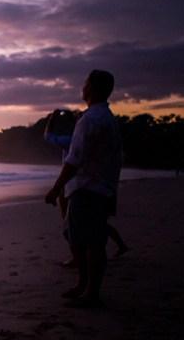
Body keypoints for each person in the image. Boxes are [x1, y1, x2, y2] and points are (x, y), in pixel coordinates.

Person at [45, 70, 123, 308]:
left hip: (87, 188)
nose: (83, 87)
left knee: (88, 241)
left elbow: (74, 160)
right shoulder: (107, 117)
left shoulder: (89, 120)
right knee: (89, 239)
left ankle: (90, 292)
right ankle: (85, 286)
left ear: (93, 88)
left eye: (86, 83)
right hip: (102, 186)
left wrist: (55, 188)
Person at [45, 109, 128, 261]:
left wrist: (52, 119)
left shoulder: (72, 140)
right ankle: (120, 245)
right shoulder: (101, 135)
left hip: (75, 185)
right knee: (98, 222)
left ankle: (78, 259)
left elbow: (48, 136)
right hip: (98, 184)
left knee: (71, 224)